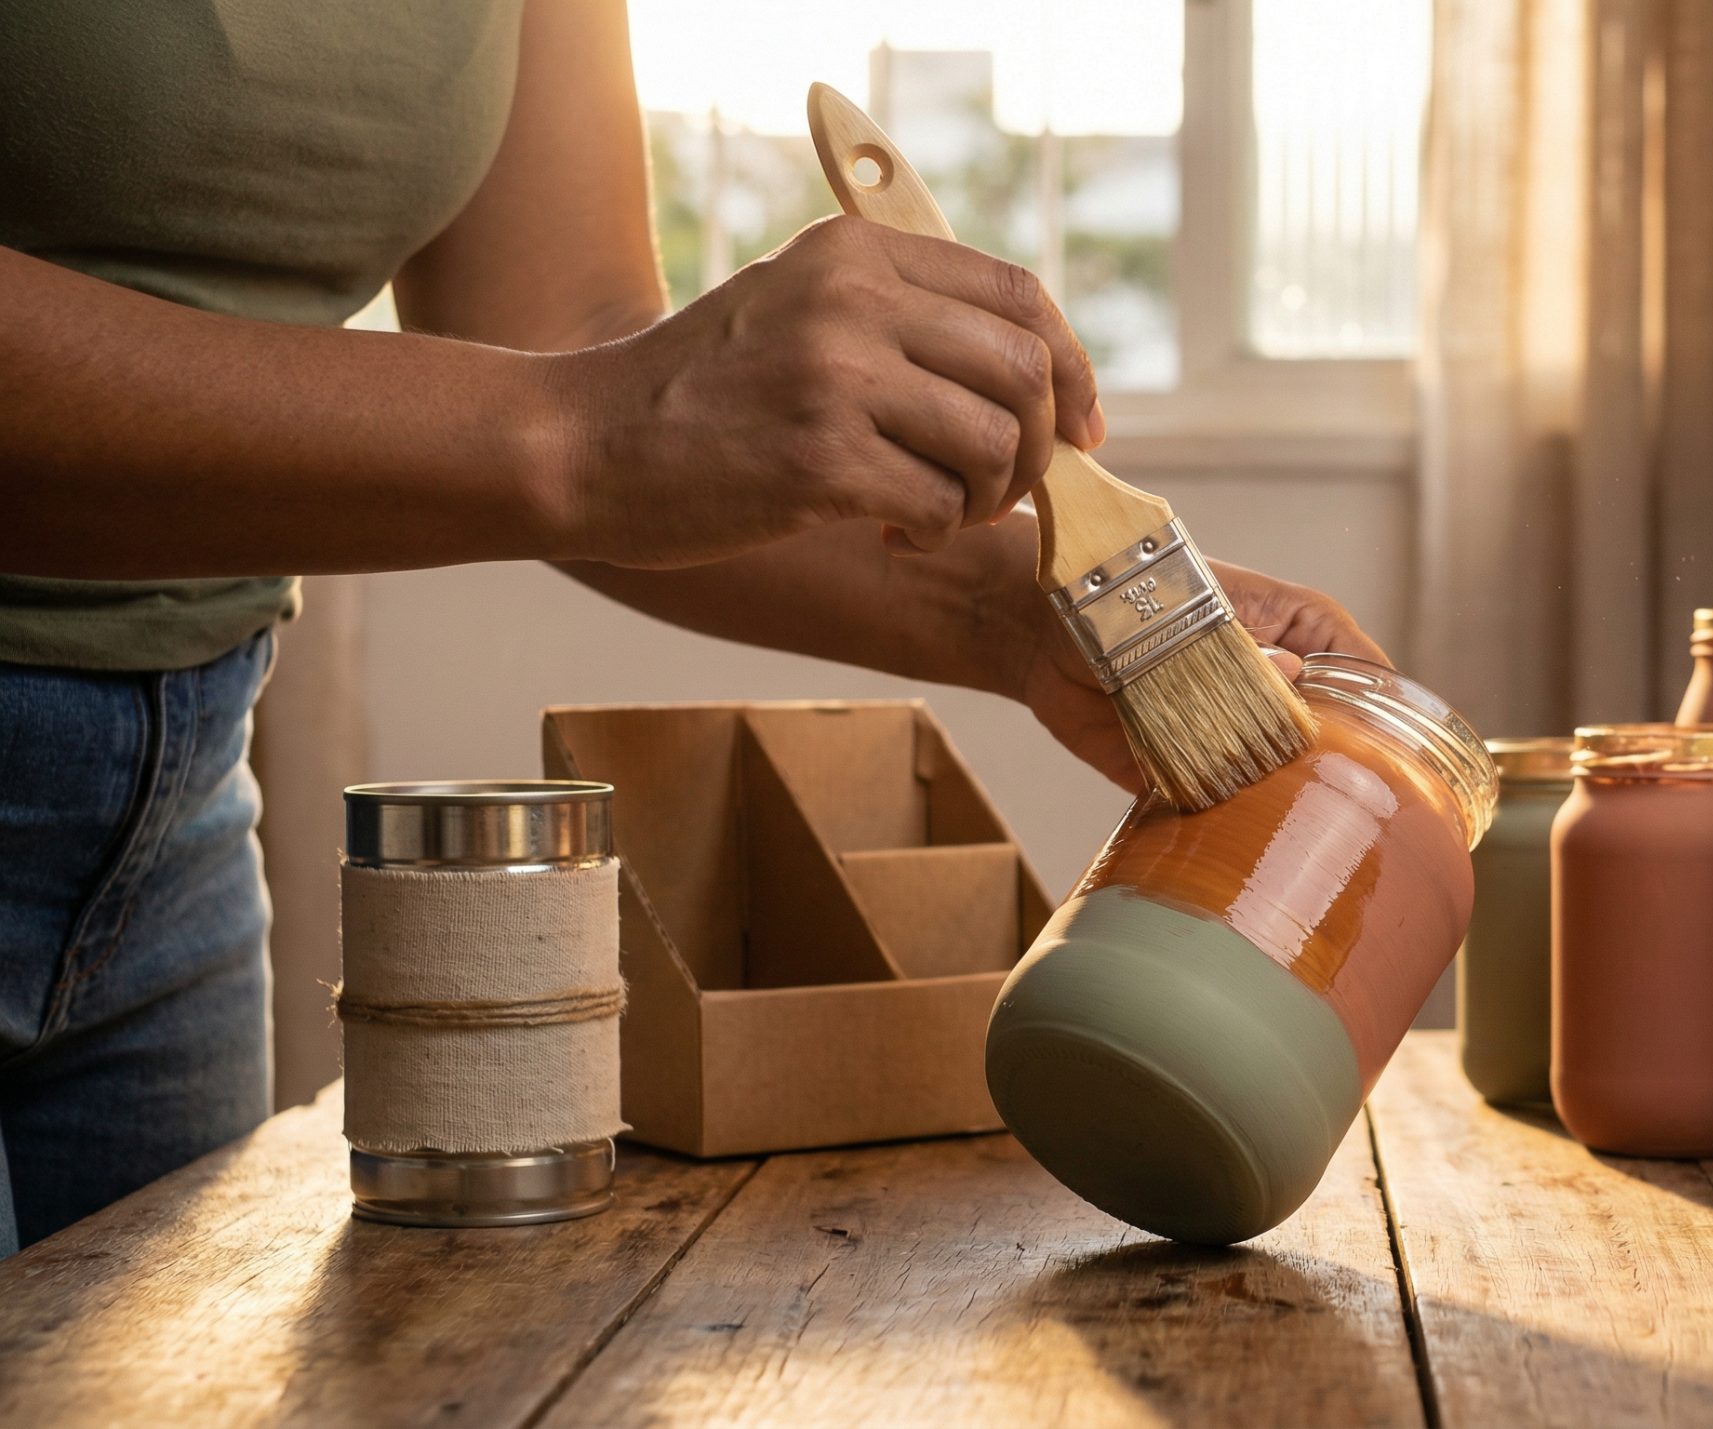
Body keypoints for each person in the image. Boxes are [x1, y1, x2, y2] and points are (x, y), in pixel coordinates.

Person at [0, 0, 1384, 1255]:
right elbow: (588, 425)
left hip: (170, 819)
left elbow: (565, 344)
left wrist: (1017, 612)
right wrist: (606, 424)